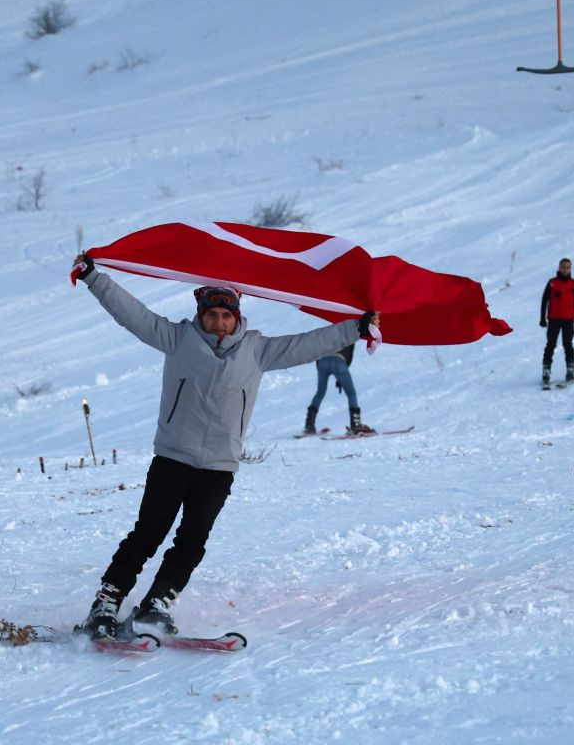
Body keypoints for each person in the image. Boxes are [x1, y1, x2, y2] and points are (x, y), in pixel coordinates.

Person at [71, 253, 379, 640]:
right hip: (173, 458)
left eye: (226, 315)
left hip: (218, 466)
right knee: (148, 535)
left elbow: (310, 344)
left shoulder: (257, 350)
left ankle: (156, 605)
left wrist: (357, 327)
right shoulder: (177, 339)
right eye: (212, 315)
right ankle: (106, 603)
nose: (219, 323)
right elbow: (133, 314)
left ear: (237, 317)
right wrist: (95, 278)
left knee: (192, 541)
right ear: (201, 315)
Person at [303, 342, 374, 436]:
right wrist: (341, 377)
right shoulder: (349, 334)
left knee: (320, 392)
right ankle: (356, 425)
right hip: (338, 361)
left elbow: (319, 350)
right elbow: (349, 356)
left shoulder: (329, 330)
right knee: (351, 394)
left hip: (322, 361)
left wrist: (320, 368)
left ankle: (309, 426)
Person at [539, 258, 574, 387]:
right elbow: (544, 301)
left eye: (568, 267)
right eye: (563, 267)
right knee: (550, 345)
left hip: (568, 320)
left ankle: (570, 370)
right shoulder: (552, 283)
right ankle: (546, 371)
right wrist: (542, 318)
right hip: (553, 319)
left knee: (568, 344)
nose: (565, 269)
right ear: (559, 268)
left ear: (570, 269)